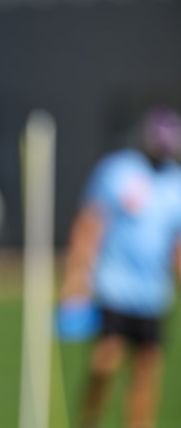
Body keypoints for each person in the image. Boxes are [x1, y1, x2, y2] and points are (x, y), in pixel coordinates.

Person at [60, 106, 181, 428]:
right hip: (114, 289)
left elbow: (177, 246)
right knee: (105, 362)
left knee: (146, 373)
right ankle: (89, 420)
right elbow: (90, 224)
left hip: (153, 296)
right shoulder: (117, 170)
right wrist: (77, 275)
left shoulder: (175, 182)